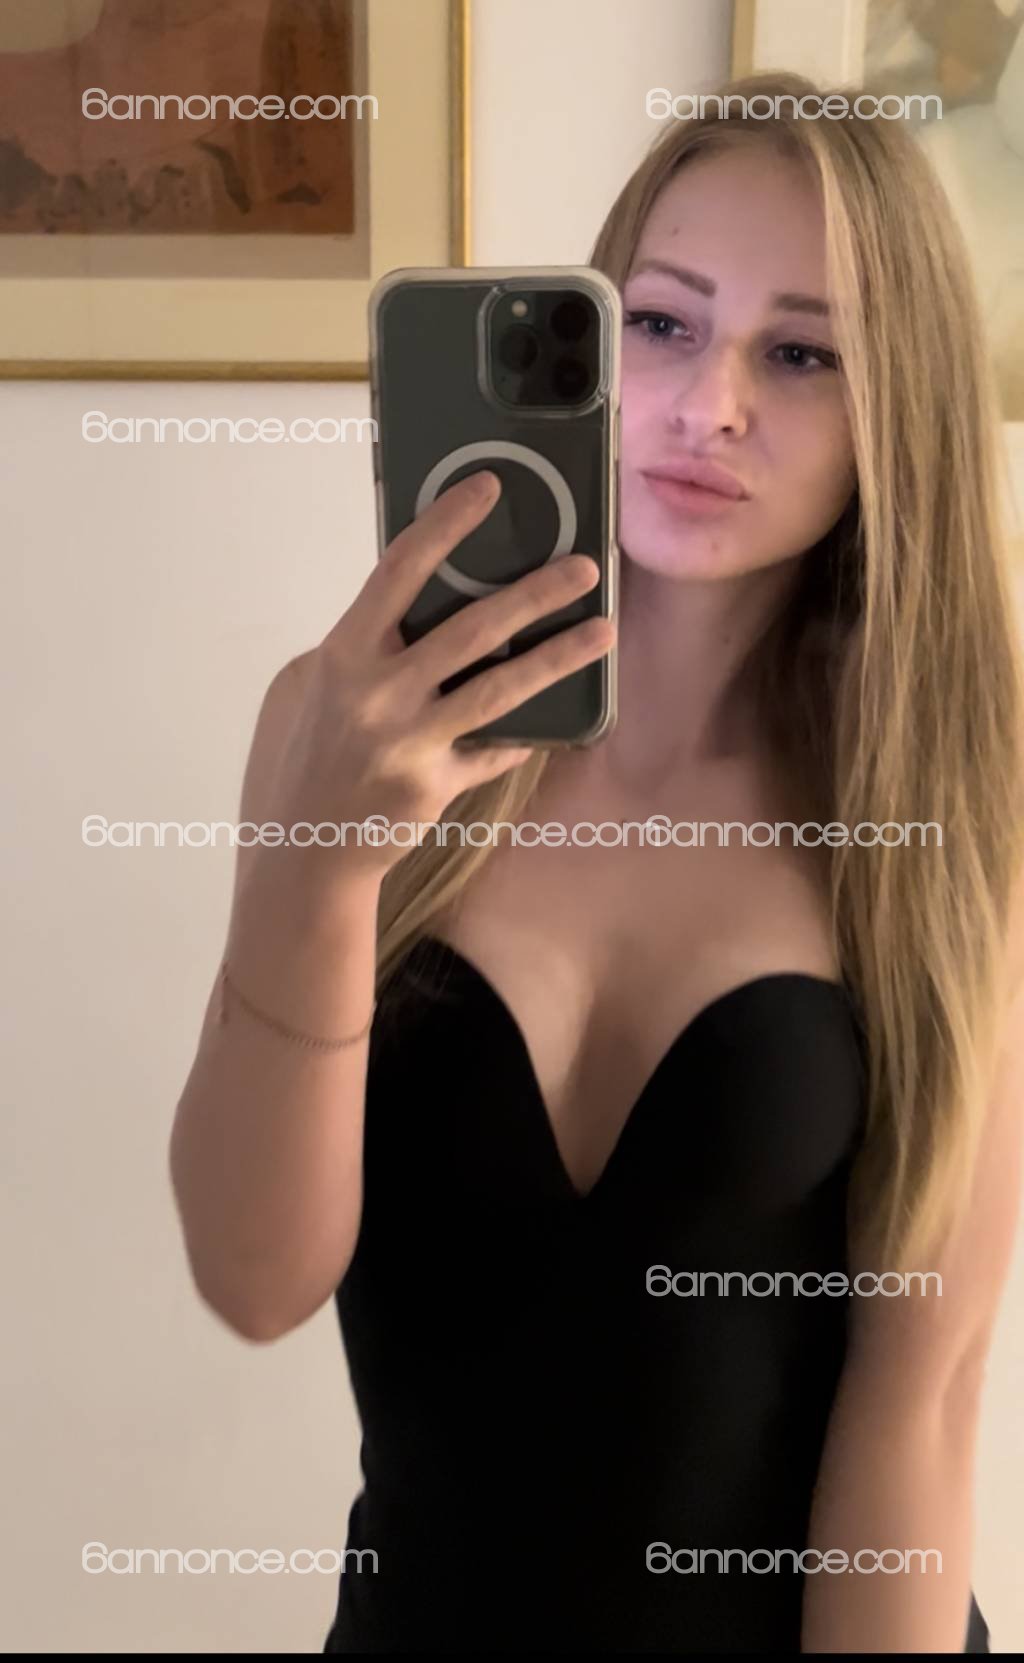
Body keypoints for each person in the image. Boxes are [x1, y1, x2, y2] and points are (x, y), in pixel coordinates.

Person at [169, 70, 1024, 1653]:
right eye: (664, 323)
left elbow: (927, 1396)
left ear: (895, 405)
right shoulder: (343, 730)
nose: (711, 406)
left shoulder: (945, 797)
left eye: (802, 353)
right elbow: (251, 1277)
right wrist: (322, 867)